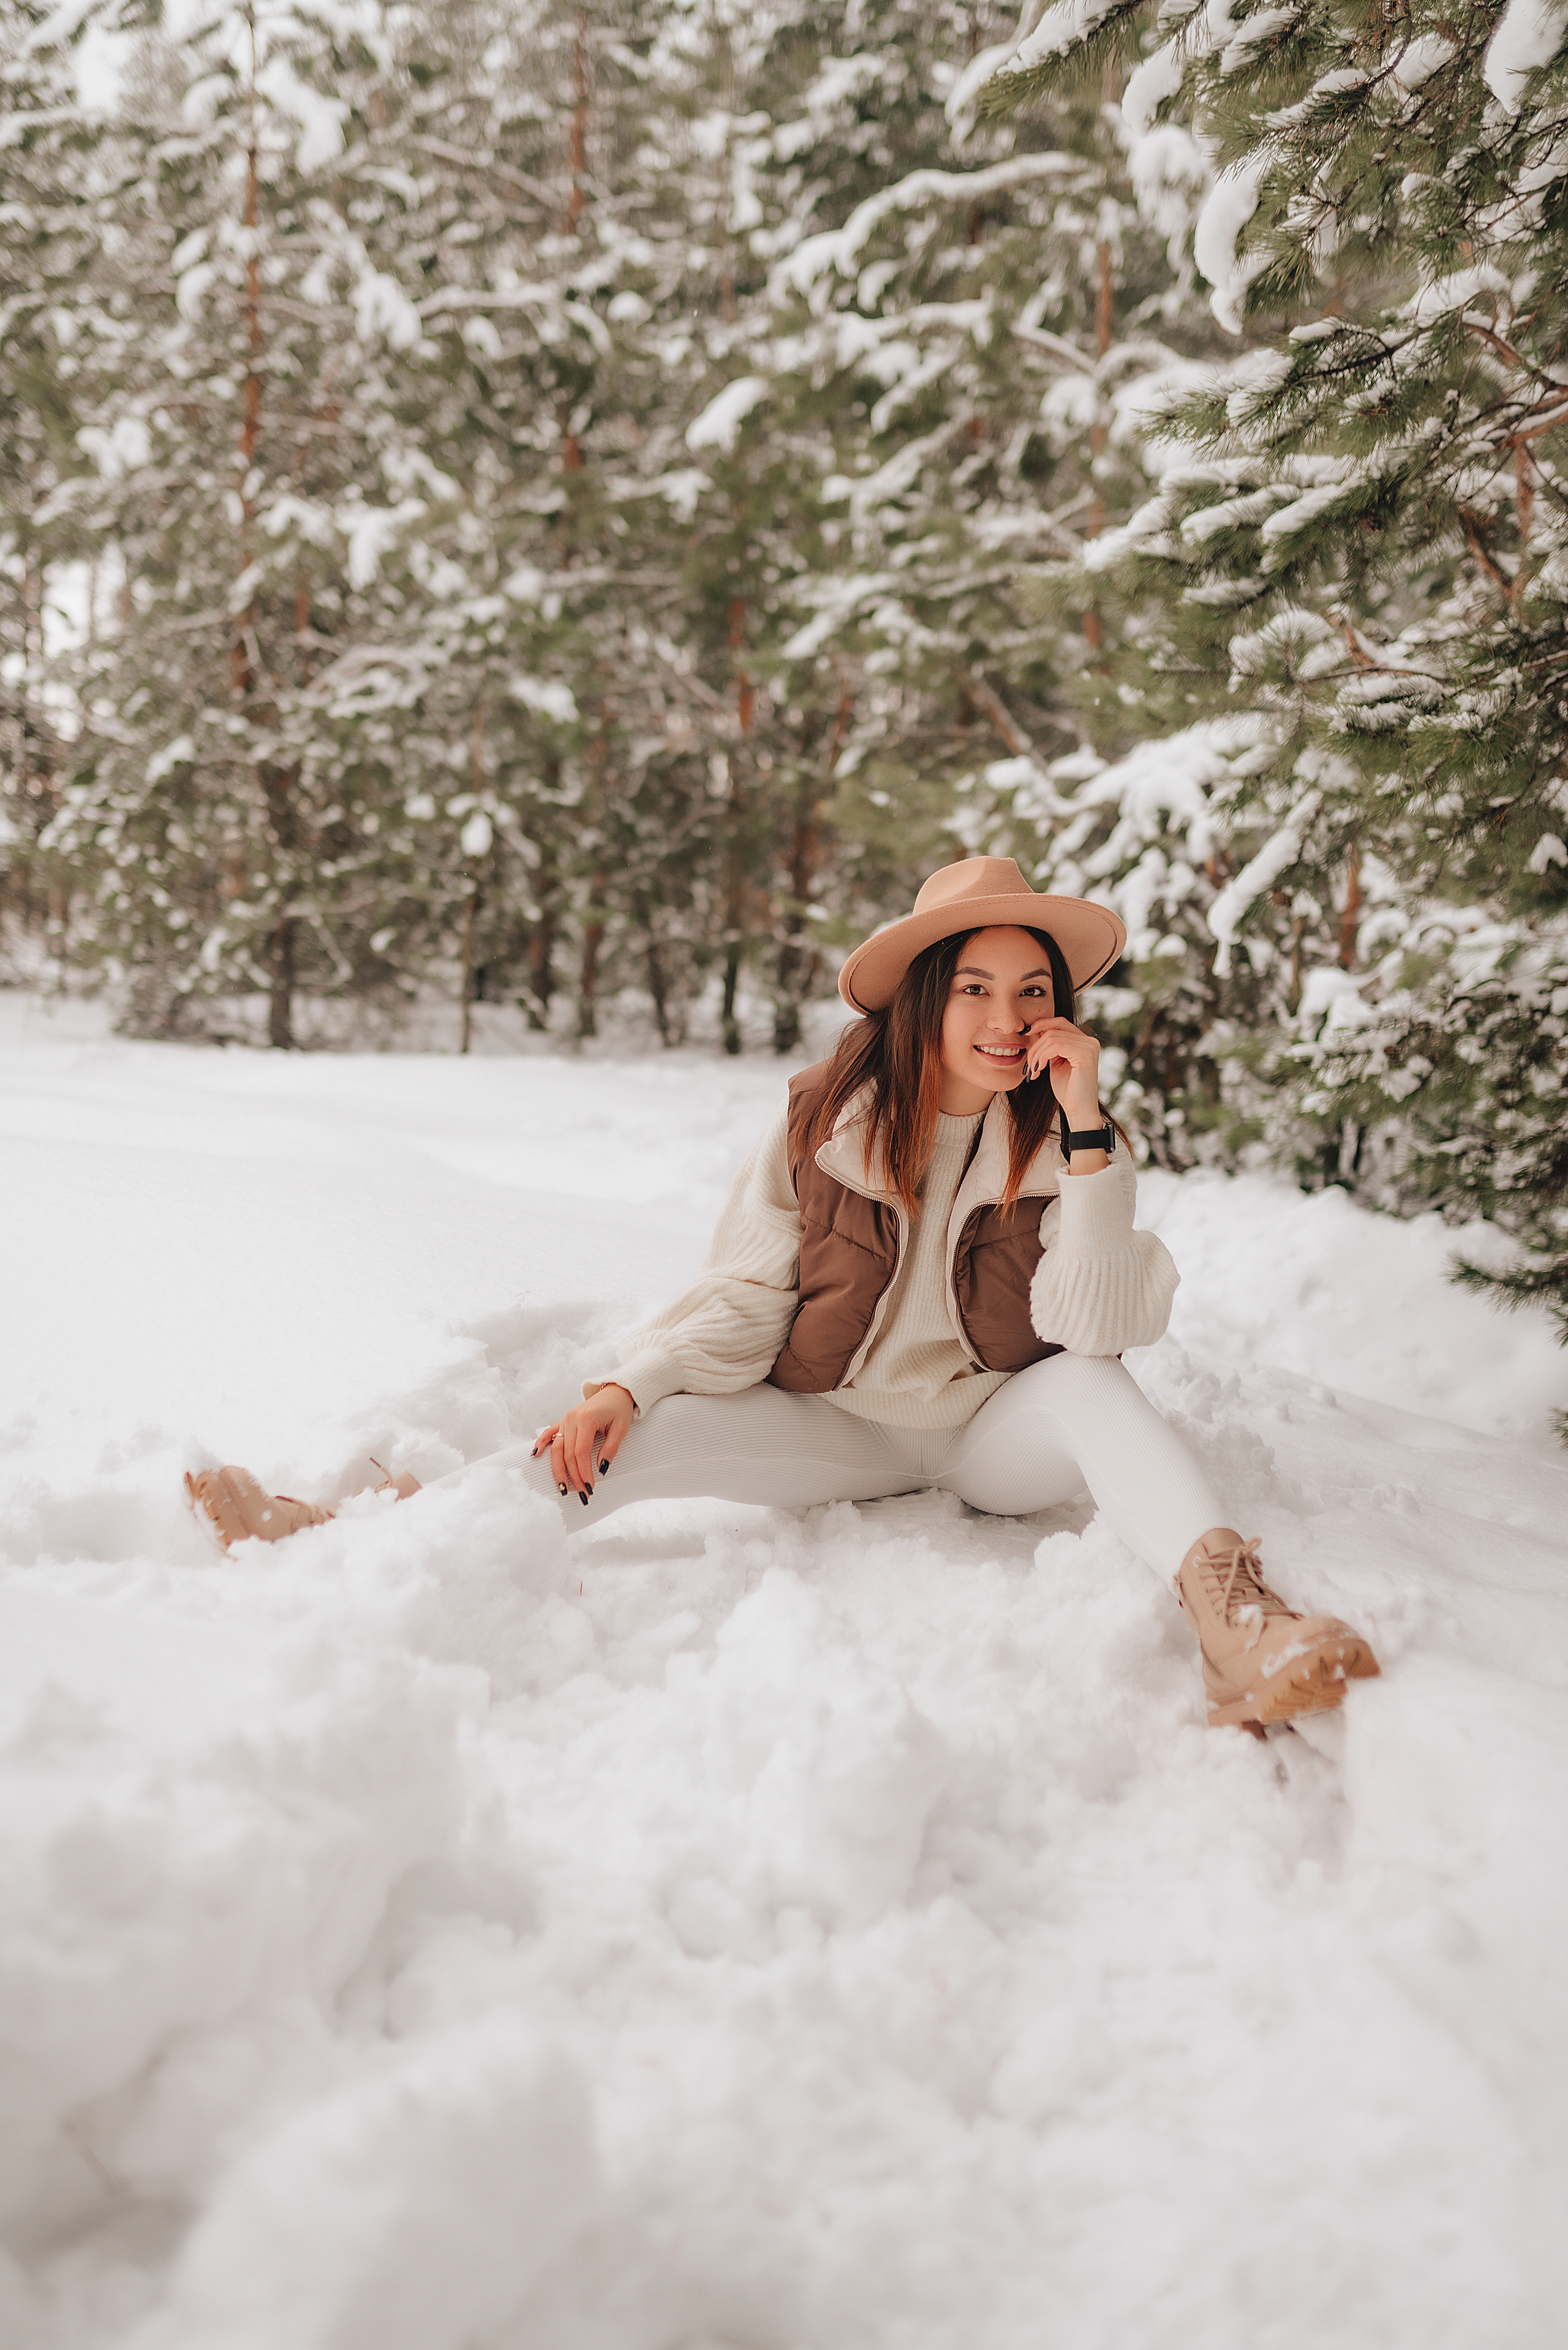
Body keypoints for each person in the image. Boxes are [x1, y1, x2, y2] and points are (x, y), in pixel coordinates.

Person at [187, 856, 1379, 1733]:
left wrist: (1085, 1136)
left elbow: (1098, 1324)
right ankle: (367, 1535)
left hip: (991, 1432)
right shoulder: (827, 1124)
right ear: (922, 995)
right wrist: (629, 1382)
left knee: (1094, 1386)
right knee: (634, 1435)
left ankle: (1240, 1627)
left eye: (1032, 991)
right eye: (974, 988)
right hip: (841, 1421)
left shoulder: (1073, 1137)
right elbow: (752, 1282)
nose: (1007, 1019)